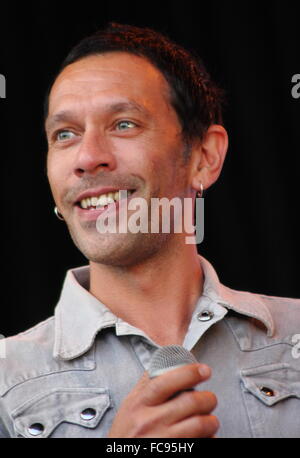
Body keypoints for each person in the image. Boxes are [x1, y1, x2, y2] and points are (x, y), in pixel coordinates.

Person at [1, 22, 300, 439]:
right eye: (64, 134)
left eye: (124, 124)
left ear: (204, 157)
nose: (87, 157)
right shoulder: (5, 380)